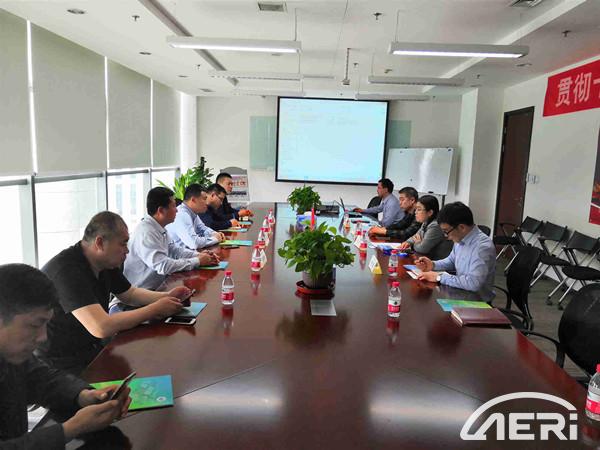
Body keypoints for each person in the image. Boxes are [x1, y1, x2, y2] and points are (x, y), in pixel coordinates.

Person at [37, 211, 188, 375]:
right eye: (123, 244)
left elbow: (130, 294)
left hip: (90, 347)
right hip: (59, 363)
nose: (127, 251)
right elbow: (100, 326)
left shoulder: (104, 262)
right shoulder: (66, 271)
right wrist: (155, 309)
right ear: (100, 243)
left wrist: (167, 297)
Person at [0, 264, 131, 449]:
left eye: (46, 324)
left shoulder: (12, 353)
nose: (43, 337)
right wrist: (72, 428)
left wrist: (84, 395)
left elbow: (42, 379)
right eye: (34, 325)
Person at [123, 187, 219, 291]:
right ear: (161, 210)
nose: (177, 210)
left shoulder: (158, 227)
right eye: (173, 206)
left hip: (159, 287)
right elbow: (163, 266)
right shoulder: (146, 232)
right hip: (142, 293)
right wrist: (197, 261)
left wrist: (198, 255)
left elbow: (174, 250)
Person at [415, 202, 496, 301]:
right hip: (460, 293)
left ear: (462, 227)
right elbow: (451, 261)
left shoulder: (482, 247)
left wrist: (439, 277)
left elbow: (473, 283)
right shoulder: (461, 238)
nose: (446, 236)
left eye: (446, 231)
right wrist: (432, 265)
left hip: (477, 302)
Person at [166, 183, 225, 250]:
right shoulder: (182, 214)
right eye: (204, 199)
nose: (207, 202)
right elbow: (193, 243)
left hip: (188, 253)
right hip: (178, 255)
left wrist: (214, 233)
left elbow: (203, 229)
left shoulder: (192, 213)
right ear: (193, 200)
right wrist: (215, 239)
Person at [398, 195, 449, 259]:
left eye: (419, 209)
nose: (415, 212)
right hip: (426, 259)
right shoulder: (426, 222)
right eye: (416, 209)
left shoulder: (435, 226)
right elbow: (415, 236)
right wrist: (408, 242)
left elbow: (422, 249)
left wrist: (417, 243)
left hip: (436, 262)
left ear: (430, 212)